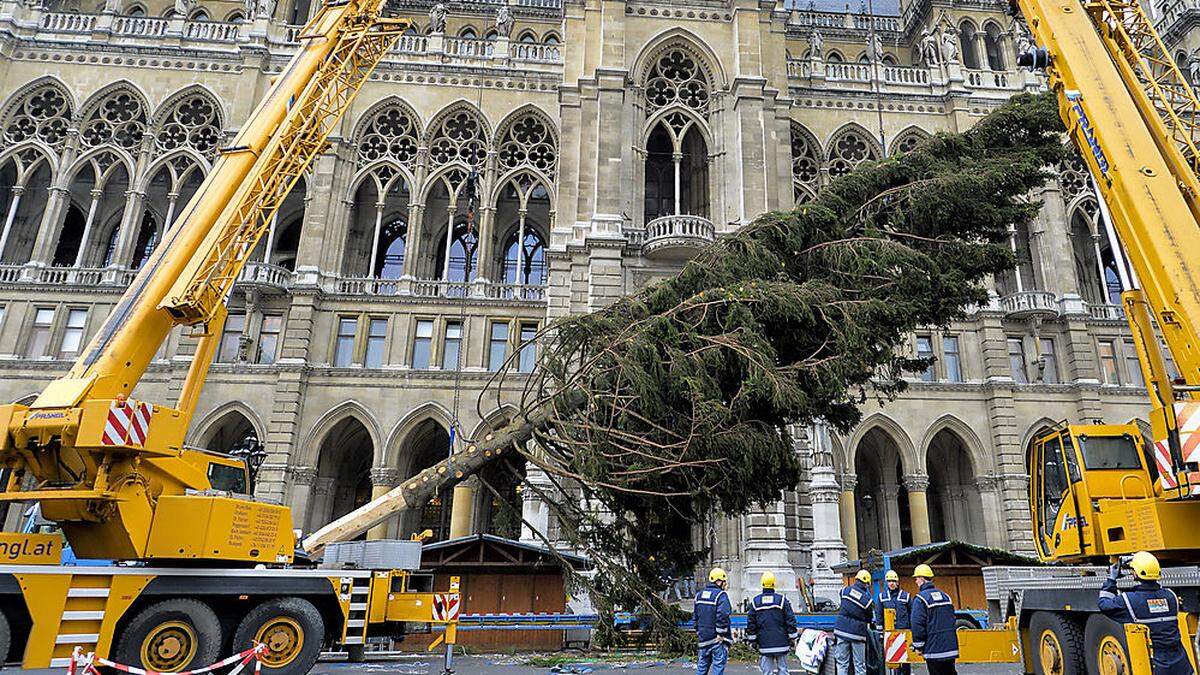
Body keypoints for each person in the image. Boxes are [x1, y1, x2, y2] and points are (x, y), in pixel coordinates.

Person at [1099, 551, 1195, 675]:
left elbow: (1104, 604)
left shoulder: (1131, 600)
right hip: (1182, 663)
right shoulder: (1171, 596)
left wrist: (1111, 579)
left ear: (1135, 573)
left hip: (1161, 665)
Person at [747, 571, 799, 675]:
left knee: (767, 672)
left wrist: (752, 640)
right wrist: (793, 637)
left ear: (762, 584)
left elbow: (751, 623)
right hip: (782, 643)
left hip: (764, 644)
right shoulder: (782, 600)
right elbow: (790, 619)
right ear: (774, 584)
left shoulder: (755, 602)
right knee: (783, 670)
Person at [909, 564, 958, 675]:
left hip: (934, 650)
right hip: (950, 648)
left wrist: (918, 646)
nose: (916, 581)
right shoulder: (946, 596)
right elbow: (952, 619)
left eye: (916, 578)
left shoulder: (920, 599)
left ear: (922, 579)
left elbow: (917, 624)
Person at [833, 569, 873, 675]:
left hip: (841, 630)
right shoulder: (867, 600)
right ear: (867, 584)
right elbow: (869, 617)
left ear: (856, 579)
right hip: (857, 634)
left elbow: (843, 601)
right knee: (859, 664)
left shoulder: (845, 591)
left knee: (842, 663)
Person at [694, 567, 732, 675]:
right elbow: (723, 615)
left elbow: (696, 615)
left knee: (702, 668)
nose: (725, 584)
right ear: (719, 581)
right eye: (724, 581)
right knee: (718, 667)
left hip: (703, 638)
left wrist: (698, 630)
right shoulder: (721, 595)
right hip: (717, 639)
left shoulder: (699, 595)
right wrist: (721, 633)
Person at [874, 569, 911, 675]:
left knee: (905, 661)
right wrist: (880, 632)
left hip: (904, 632)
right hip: (890, 634)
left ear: (897, 582)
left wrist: (912, 631)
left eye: (893, 581)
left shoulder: (906, 596)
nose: (891, 583)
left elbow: (912, 613)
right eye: (889, 581)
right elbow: (879, 615)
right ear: (886, 583)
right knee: (893, 660)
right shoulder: (882, 597)